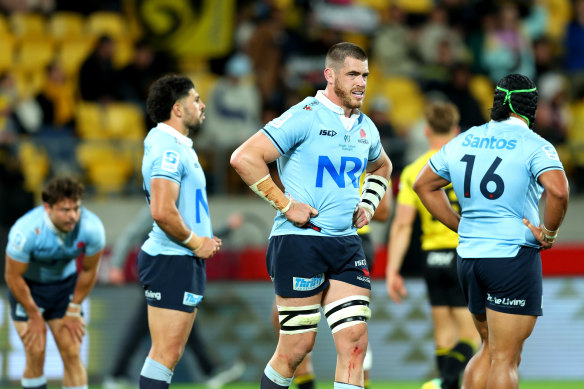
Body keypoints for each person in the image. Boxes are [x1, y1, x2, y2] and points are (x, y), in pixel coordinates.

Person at [231, 42, 392, 389]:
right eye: (352, 74)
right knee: (296, 348)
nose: (361, 82)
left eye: (364, 75)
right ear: (330, 75)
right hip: (300, 242)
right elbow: (244, 158)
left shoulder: (366, 127)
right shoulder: (305, 114)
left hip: (347, 244)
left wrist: (368, 204)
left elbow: (382, 166)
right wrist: (286, 205)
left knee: (355, 342)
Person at [413, 73, 570, 389]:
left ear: (496, 103)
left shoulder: (465, 139)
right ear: (532, 107)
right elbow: (559, 191)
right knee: (505, 357)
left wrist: (461, 226)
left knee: (487, 349)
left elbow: (423, 185)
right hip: (511, 256)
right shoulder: (533, 144)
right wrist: (549, 233)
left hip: (470, 258)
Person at [267, 170, 392, 389]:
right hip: (305, 237)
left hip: (353, 238)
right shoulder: (306, 147)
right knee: (291, 331)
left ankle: (361, 383)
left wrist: (362, 206)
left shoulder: (362, 147)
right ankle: (306, 384)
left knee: (353, 329)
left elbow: (383, 211)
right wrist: (285, 202)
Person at [386, 101, 480, 389]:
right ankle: (445, 381)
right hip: (462, 254)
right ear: (456, 130)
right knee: (473, 335)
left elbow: (401, 224)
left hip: (432, 258)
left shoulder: (415, 170)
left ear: (426, 131)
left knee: (443, 331)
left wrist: (392, 270)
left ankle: (444, 383)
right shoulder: (470, 164)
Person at [138, 75, 222, 389]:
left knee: (170, 353)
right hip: (171, 257)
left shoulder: (176, 146)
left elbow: (184, 206)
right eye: (196, 99)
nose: (202, 105)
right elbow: (161, 210)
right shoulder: (168, 149)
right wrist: (194, 241)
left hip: (180, 258)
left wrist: (203, 236)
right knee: (165, 353)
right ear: (177, 108)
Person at [104, 206, 245, 389]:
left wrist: (227, 228)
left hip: (169, 272)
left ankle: (117, 374)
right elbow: (130, 234)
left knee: (177, 325)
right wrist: (116, 265)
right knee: (157, 324)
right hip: (158, 272)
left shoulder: (181, 207)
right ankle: (117, 374)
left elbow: (196, 237)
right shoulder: (159, 207)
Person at [4, 176, 105, 389]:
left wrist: (74, 308)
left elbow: (89, 270)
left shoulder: (92, 228)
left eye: (76, 208)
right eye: (65, 210)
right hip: (29, 289)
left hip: (64, 288)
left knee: (72, 353)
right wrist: (34, 315)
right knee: (36, 352)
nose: (73, 216)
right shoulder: (25, 231)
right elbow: (12, 276)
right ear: (47, 208)